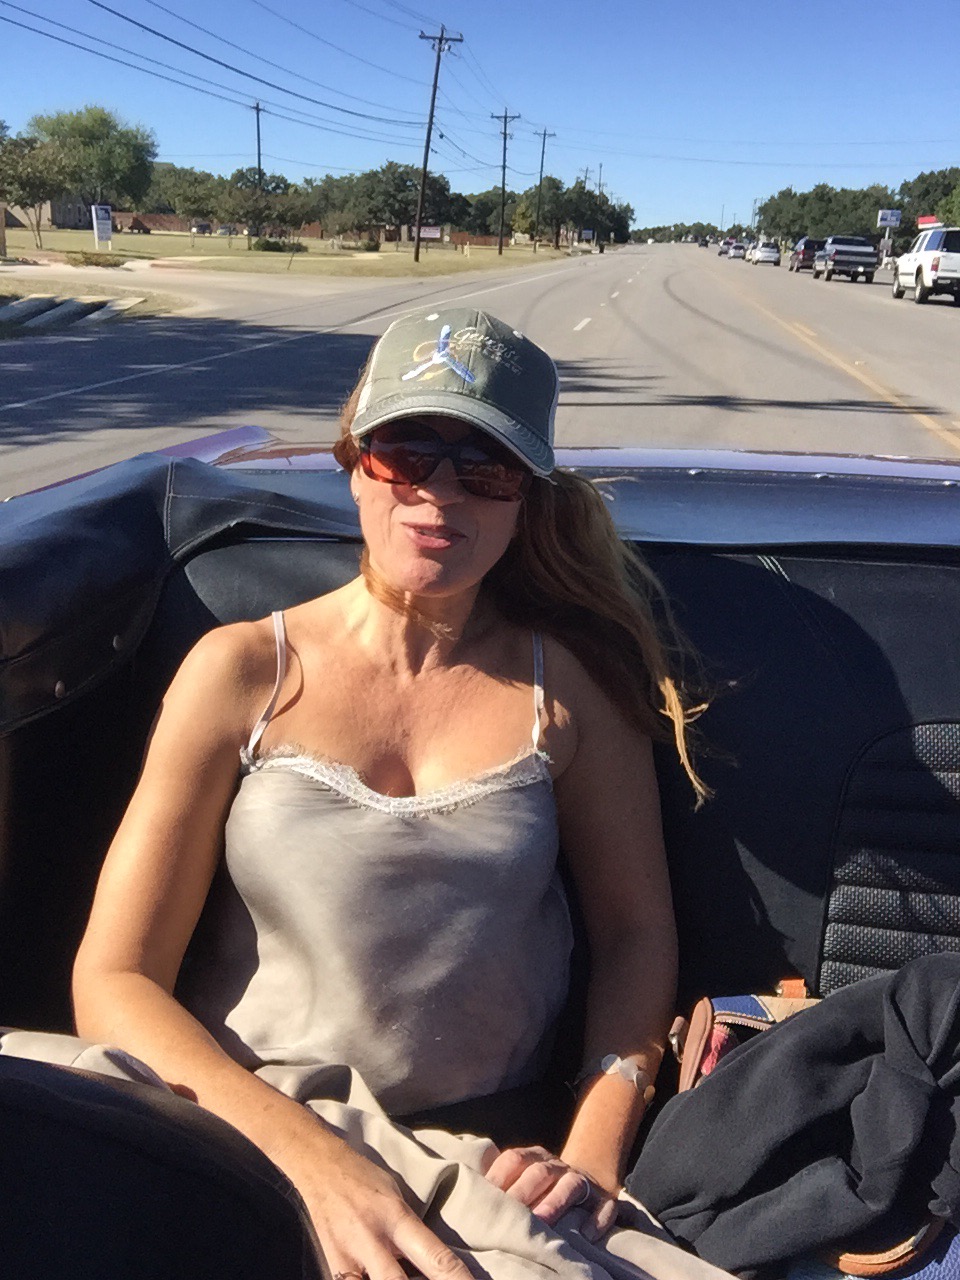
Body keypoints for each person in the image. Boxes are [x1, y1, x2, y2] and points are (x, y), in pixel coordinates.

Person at [65, 307, 715, 1280]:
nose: (439, 493)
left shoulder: (569, 691)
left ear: (527, 496)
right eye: (406, 453)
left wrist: (591, 1146)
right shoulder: (243, 672)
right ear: (355, 461)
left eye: (486, 467)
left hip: (475, 1157)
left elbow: (635, 932)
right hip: (236, 1125)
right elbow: (115, 978)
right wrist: (312, 1158)